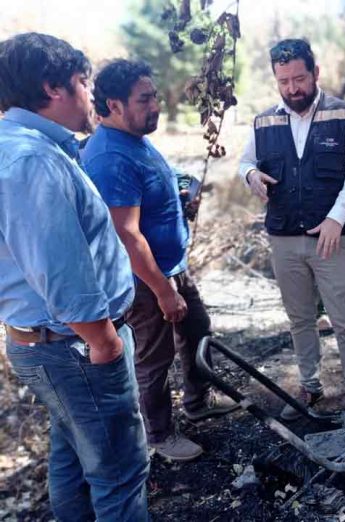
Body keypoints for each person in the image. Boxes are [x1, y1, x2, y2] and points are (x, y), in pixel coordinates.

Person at [0, 33, 149, 520]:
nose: (91, 96)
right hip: (75, 345)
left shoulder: (23, 148)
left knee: (74, 453)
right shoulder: (33, 160)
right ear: (52, 88)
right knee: (119, 473)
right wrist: (103, 342)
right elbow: (60, 270)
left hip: (52, 343)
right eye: (83, 83)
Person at [82, 59, 237, 462]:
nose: (156, 106)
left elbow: (158, 181)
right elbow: (127, 236)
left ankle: (197, 401)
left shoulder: (135, 139)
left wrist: (183, 189)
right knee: (155, 356)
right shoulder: (109, 157)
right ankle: (160, 435)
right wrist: (164, 292)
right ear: (114, 105)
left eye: (154, 96)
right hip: (143, 279)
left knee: (197, 328)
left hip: (171, 266)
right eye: (145, 99)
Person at [239, 38, 345, 421]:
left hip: (333, 239)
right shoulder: (264, 121)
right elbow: (245, 161)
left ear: (315, 73)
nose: (293, 88)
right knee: (300, 319)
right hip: (283, 237)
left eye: (299, 78)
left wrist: (336, 218)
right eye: (284, 81)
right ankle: (310, 387)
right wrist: (250, 174)